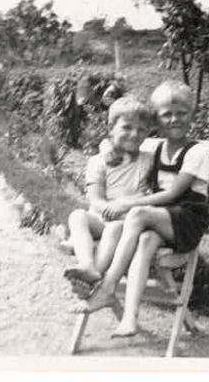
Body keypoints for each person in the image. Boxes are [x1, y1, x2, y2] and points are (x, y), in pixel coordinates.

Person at [72, 80, 209, 338]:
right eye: (166, 114)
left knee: (137, 214)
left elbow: (173, 194)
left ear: (193, 114)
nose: (174, 119)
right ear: (157, 121)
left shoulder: (197, 153)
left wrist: (126, 203)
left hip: (186, 221)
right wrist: (108, 147)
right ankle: (129, 318)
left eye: (181, 113)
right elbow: (117, 143)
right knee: (145, 242)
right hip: (161, 220)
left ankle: (107, 286)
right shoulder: (159, 149)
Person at [63, 95, 154, 299]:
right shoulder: (98, 162)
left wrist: (123, 209)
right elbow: (95, 199)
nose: (134, 134)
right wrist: (107, 208)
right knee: (77, 215)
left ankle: (91, 277)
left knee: (114, 228)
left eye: (142, 130)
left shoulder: (149, 161)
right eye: (127, 127)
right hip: (101, 218)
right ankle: (87, 264)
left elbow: (156, 194)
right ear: (111, 128)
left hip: (128, 226)